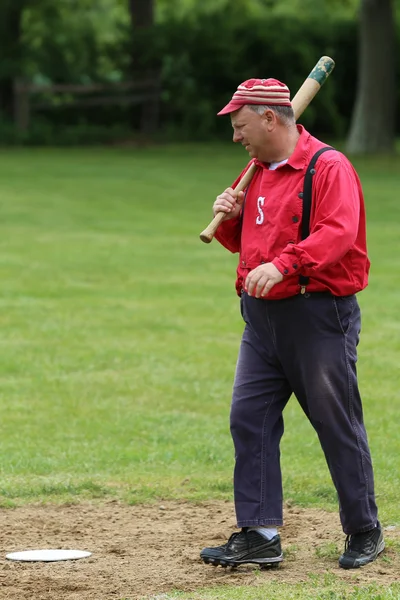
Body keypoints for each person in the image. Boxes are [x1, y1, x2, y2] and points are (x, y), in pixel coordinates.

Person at [199, 78, 384, 570]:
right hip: (261, 321)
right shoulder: (257, 172)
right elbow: (252, 247)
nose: (236, 137)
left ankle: (365, 528)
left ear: (269, 119)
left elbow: (339, 234)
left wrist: (284, 264)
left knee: (335, 422)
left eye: (241, 127)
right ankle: (260, 534)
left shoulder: (328, 168)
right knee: (249, 419)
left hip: (318, 316)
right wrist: (233, 220)